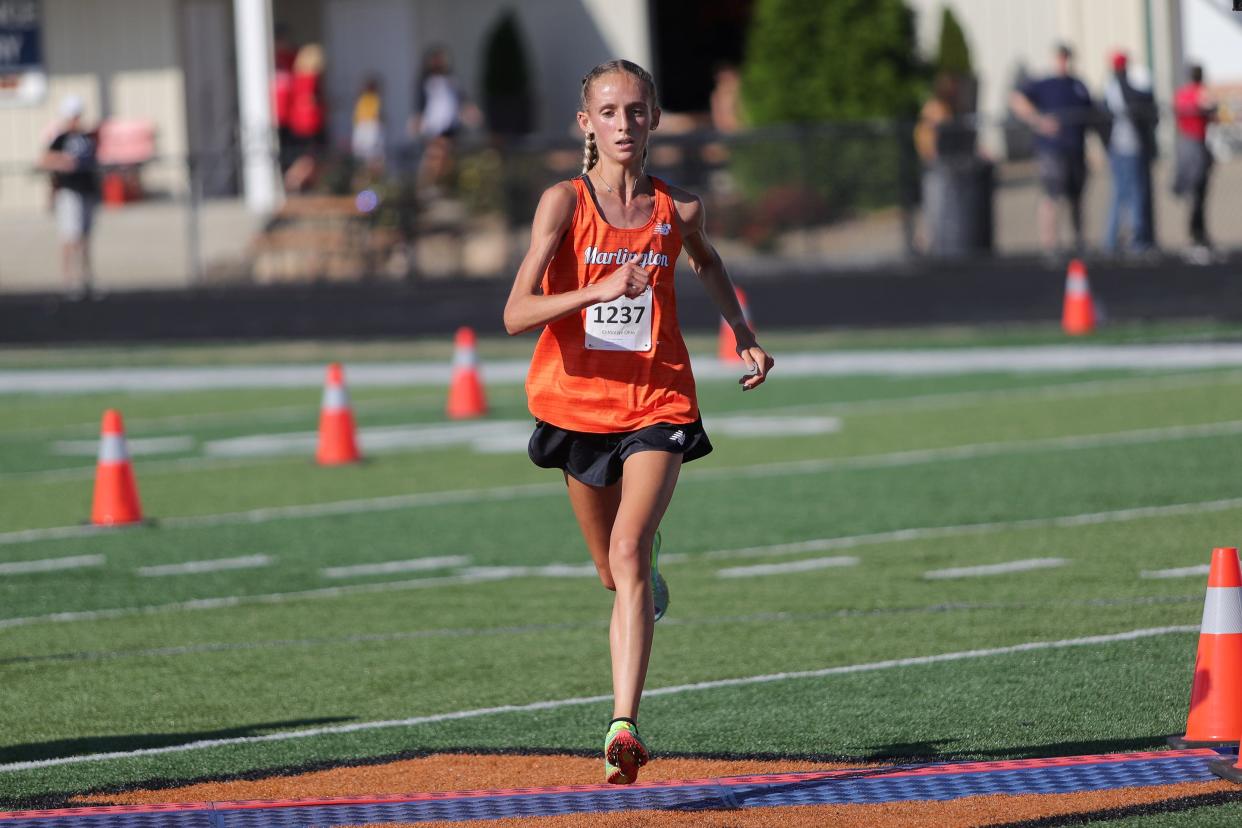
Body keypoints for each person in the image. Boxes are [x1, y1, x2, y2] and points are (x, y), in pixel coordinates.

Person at [502, 59, 773, 786]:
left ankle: (623, 724)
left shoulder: (677, 209)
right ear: (587, 123)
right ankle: (641, 579)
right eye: (610, 112)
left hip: (658, 403)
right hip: (576, 406)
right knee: (611, 574)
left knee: (628, 550)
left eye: (637, 111)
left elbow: (707, 262)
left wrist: (741, 331)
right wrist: (596, 287)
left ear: (653, 119)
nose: (625, 124)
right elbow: (514, 313)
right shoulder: (563, 204)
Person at [1010, 43, 1094, 254]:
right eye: (1060, 58)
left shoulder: (1078, 86)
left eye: (1067, 58)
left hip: (1075, 150)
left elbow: (1091, 115)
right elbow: (1017, 99)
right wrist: (1038, 120)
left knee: (1077, 198)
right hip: (1052, 151)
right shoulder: (1044, 84)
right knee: (1051, 197)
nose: (1063, 63)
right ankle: (1050, 245)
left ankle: (1078, 242)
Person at [40, 95, 100, 299]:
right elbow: (45, 160)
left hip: (87, 191)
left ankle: (86, 279)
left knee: (84, 238)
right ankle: (69, 280)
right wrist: (63, 161)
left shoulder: (87, 138)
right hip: (69, 192)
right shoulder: (61, 138)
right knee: (70, 237)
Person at [1101, 52, 1159, 254]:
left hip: (1121, 149)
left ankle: (1113, 240)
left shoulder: (1112, 87)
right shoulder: (1119, 87)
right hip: (1127, 149)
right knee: (1133, 195)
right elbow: (1139, 101)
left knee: (1121, 195)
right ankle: (1136, 241)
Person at [1173, 64, 1217, 259]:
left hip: (1187, 145)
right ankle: (1196, 233)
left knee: (1196, 193)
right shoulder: (1198, 94)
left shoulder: (1182, 94)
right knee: (1197, 192)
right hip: (1194, 144)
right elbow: (1210, 109)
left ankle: (1198, 233)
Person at [285, 44, 326, 193]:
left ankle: (297, 182)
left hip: (299, 124)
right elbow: (308, 99)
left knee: (307, 158)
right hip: (310, 124)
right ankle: (292, 181)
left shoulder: (297, 77)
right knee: (309, 159)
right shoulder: (310, 78)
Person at [351, 75, 385, 171]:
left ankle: (374, 170)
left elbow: (377, 115)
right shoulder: (361, 99)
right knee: (361, 153)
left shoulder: (375, 99)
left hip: (371, 127)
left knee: (373, 153)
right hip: (362, 127)